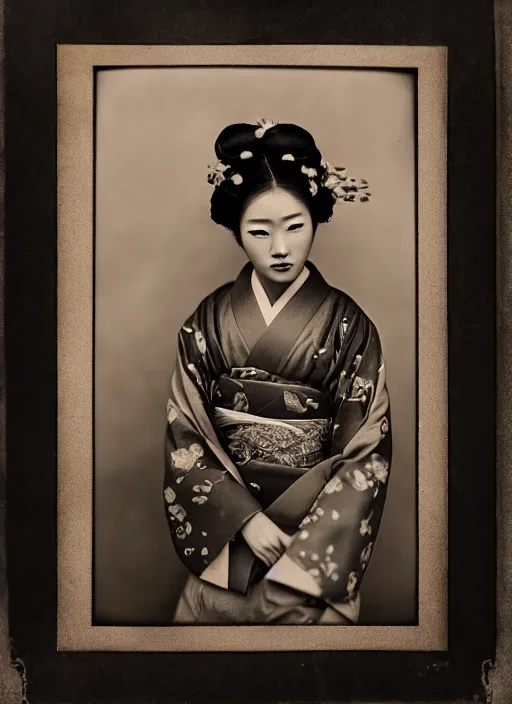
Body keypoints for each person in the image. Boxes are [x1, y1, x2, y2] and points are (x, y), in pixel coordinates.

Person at [163, 119, 392, 625]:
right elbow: (187, 433)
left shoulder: (350, 327)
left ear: (316, 219)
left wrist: (299, 542)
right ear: (236, 233)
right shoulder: (207, 322)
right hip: (229, 559)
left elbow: (364, 452)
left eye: (295, 226)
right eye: (259, 231)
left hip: (307, 557)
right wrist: (244, 521)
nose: (280, 248)